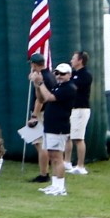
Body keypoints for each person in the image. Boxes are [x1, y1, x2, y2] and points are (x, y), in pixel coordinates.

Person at [34, 62, 78, 196]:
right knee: (52, 156)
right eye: (57, 73)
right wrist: (37, 86)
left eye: (62, 74)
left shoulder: (69, 88)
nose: (59, 76)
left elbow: (48, 97)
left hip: (59, 127)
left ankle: (60, 187)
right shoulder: (58, 86)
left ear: (69, 75)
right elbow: (42, 99)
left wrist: (41, 83)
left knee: (58, 157)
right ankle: (55, 185)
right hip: (50, 126)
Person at [26, 52, 56, 183]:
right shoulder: (49, 75)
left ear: (34, 64)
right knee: (37, 142)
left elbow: (40, 100)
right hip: (47, 113)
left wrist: (34, 116)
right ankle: (44, 172)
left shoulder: (42, 78)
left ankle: (44, 174)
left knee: (40, 144)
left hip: (41, 113)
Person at [68, 51, 93, 175]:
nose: (71, 60)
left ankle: (81, 165)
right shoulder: (73, 74)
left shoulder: (85, 75)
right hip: (72, 109)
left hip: (81, 110)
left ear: (80, 60)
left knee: (78, 138)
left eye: (74, 58)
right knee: (69, 136)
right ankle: (67, 162)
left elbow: (74, 87)